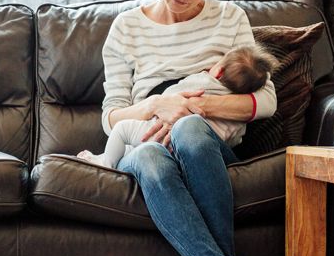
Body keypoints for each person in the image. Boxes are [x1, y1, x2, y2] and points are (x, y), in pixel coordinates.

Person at [101, 0, 302, 256]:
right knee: (154, 158)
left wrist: (195, 107)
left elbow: (265, 102)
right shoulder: (126, 28)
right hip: (144, 140)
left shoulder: (230, 19)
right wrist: (158, 105)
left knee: (191, 129)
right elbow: (112, 116)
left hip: (205, 142)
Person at [78, 44, 277, 168]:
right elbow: (234, 139)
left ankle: (106, 162)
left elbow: (170, 98)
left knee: (124, 132)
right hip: (197, 154)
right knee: (144, 153)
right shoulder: (238, 119)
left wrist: (164, 104)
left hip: (160, 132)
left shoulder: (203, 81)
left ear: (218, 71)